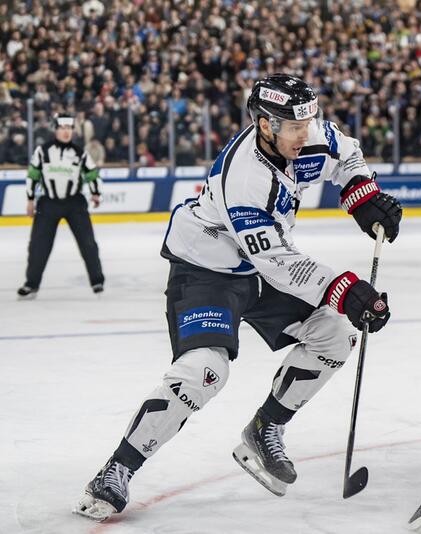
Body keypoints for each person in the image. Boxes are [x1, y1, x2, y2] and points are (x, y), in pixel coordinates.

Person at [74, 74, 402, 522]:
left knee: (335, 336)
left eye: (309, 121)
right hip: (208, 270)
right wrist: (344, 289)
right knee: (204, 370)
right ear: (265, 125)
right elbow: (276, 261)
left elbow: (345, 152)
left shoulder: (305, 134)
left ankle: (266, 428)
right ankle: (117, 470)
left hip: (259, 266)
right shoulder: (243, 178)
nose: (304, 133)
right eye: (293, 126)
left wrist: (363, 196)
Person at [18, 114, 104, 300]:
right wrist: (30, 199)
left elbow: (91, 174)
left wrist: (96, 193)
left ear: (73, 130)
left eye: (69, 128)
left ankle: (97, 281)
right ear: (55, 130)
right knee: (38, 246)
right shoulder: (42, 151)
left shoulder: (80, 153)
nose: (66, 132)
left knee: (88, 244)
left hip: (75, 203)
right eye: (62, 128)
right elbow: (32, 175)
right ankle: (31, 284)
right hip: (48, 203)